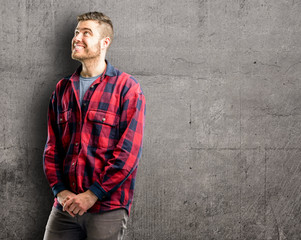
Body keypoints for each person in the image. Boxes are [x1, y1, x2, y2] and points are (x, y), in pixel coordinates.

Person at [43, 11, 145, 240]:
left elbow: (128, 155)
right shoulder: (62, 89)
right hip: (65, 207)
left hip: (106, 208)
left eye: (86, 33)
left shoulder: (127, 88)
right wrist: (60, 191)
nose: (77, 37)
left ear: (104, 42)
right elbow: (52, 149)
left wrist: (92, 195)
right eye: (76, 32)